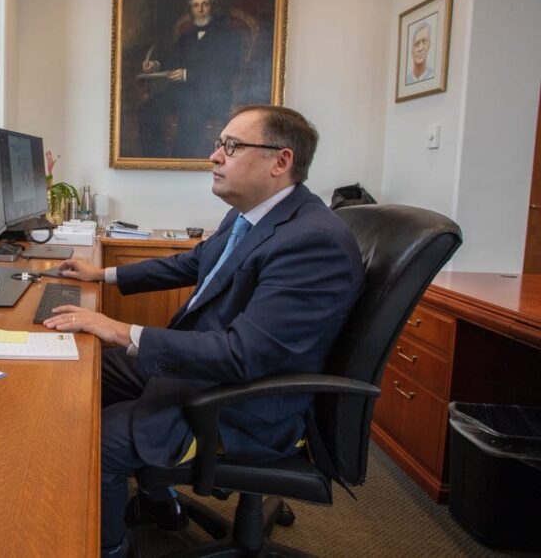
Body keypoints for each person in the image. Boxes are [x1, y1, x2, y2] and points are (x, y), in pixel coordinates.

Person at [43, 105, 365, 555]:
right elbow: (194, 262)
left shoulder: (313, 242)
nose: (215, 155)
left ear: (281, 161)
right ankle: (161, 500)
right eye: (219, 144)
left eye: (231, 146)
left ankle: (111, 548)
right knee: (82, 371)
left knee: (96, 439)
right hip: (204, 371)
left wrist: (120, 330)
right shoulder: (252, 214)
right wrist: (105, 277)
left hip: (246, 405)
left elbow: (242, 354)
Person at [140, 0, 245, 158]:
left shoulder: (228, 35)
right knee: (147, 109)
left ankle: (179, 162)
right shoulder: (187, 36)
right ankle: (153, 160)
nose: (201, 10)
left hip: (210, 96)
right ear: (191, 9)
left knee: (188, 112)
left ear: (213, 7)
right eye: (196, 6)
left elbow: (224, 71)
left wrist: (188, 75)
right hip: (182, 94)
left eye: (205, 4)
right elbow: (173, 61)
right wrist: (156, 65)